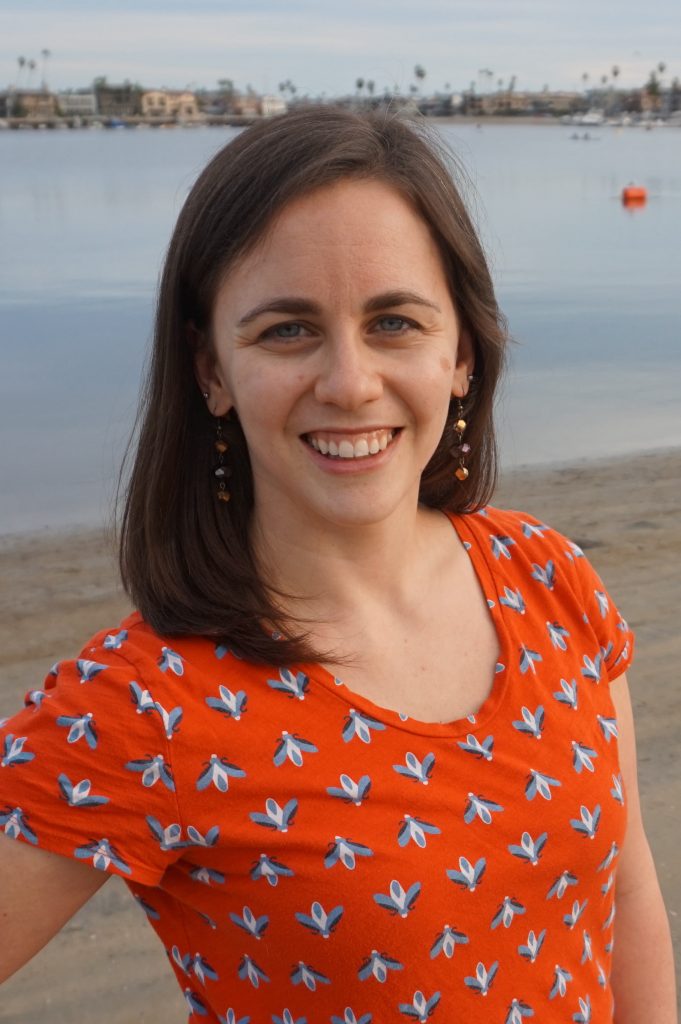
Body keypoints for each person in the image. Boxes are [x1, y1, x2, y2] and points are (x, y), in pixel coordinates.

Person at [0, 107, 676, 1024]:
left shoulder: (548, 576)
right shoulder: (147, 705)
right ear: (210, 371)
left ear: (461, 353)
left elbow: (626, 894)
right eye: (288, 330)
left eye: (393, 322)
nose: (350, 383)